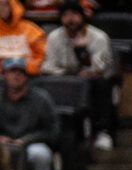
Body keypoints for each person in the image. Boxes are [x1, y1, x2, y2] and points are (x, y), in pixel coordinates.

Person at [42, 2, 115, 153]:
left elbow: (100, 68)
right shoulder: (54, 37)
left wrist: (82, 53)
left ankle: (103, 132)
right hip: (65, 80)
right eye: (66, 15)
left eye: (74, 14)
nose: (70, 19)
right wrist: (68, 74)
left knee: (100, 84)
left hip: (92, 80)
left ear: (82, 17)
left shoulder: (98, 37)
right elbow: (47, 66)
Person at [0, 55, 54, 170]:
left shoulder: (41, 98)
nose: (16, 76)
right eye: (12, 72)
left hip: (32, 142)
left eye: (20, 72)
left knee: (40, 155)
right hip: (3, 146)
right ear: (4, 75)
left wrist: (26, 140)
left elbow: (52, 131)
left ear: (27, 76)